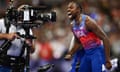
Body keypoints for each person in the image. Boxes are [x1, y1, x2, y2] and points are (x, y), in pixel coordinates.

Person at [64, 1, 112, 72]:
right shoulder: (72, 25)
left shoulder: (88, 22)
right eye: (68, 8)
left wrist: (107, 60)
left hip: (97, 51)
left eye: (71, 8)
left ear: (78, 10)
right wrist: (70, 53)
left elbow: (105, 38)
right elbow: (78, 42)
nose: (68, 10)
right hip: (87, 53)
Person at [0, 5, 34, 72]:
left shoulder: (28, 29)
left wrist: (29, 44)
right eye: (21, 12)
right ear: (15, 11)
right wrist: (6, 36)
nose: (23, 15)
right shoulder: (2, 23)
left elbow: (32, 50)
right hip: (2, 64)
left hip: (19, 66)